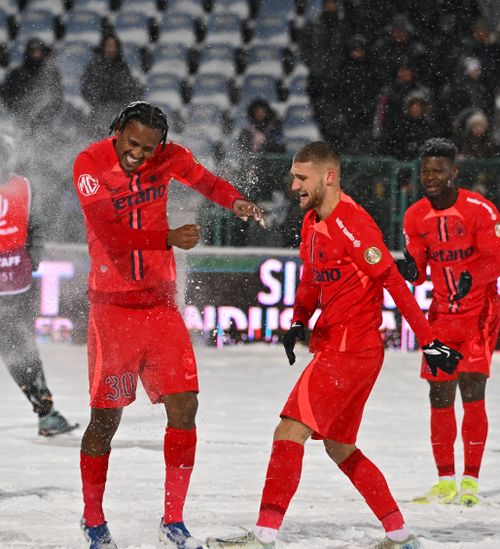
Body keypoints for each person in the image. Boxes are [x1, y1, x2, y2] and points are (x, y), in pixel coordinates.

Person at [206, 142, 462, 549]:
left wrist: (429, 342)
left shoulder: (355, 225)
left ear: (329, 176)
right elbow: (311, 278)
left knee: (288, 432)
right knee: (341, 449)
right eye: (293, 176)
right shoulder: (310, 220)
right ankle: (400, 534)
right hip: (338, 348)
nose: (293, 185)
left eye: (301, 177)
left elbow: (394, 282)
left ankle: (264, 535)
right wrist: (297, 320)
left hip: (350, 351)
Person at [72, 101, 263, 549]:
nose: (138, 154)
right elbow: (109, 235)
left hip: (160, 307)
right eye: (132, 143)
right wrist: (169, 238)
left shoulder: (169, 156)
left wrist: (235, 200)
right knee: (105, 421)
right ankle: (93, 519)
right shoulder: (88, 163)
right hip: (112, 310)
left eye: (148, 147)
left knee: (186, 408)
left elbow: (205, 181)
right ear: (117, 130)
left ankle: (173, 520)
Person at [399, 138, 500, 507]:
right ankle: (444, 481)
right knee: (439, 395)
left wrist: (472, 275)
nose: (431, 177)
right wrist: (407, 268)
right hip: (441, 316)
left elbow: (495, 261)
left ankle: (470, 481)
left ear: (455, 172)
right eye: (426, 170)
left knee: (472, 391)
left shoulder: (481, 210)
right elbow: (420, 271)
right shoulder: (414, 216)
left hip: (479, 314)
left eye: (439, 170)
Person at [0, 133, 77, 436]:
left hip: (15, 288)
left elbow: (36, 232)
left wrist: (32, 260)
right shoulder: (24, 188)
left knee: (20, 352)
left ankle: (46, 413)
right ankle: (46, 413)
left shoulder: (23, 188)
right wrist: (31, 260)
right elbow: (38, 234)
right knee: (21, 352)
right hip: (17, 284)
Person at [81, 33, 145, 138]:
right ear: (103, 46)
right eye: (108, 45)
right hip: (99, 108)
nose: (111, 48)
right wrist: (100, 101)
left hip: (118, 108)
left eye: (113, 45)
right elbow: (87, 87)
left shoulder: (122, 65)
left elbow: (128, 87)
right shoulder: (94, 65)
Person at [1, 37, 63, 136]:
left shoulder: (51, 73)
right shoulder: (17, 72)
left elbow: (58, 97)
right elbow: (7, 94)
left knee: (44, 140)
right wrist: (19, 110)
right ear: (28, 52)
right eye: (33, 51)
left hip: (45, 119)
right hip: (23, 118)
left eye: (38, 51)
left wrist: (47, 113)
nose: (36, 54)